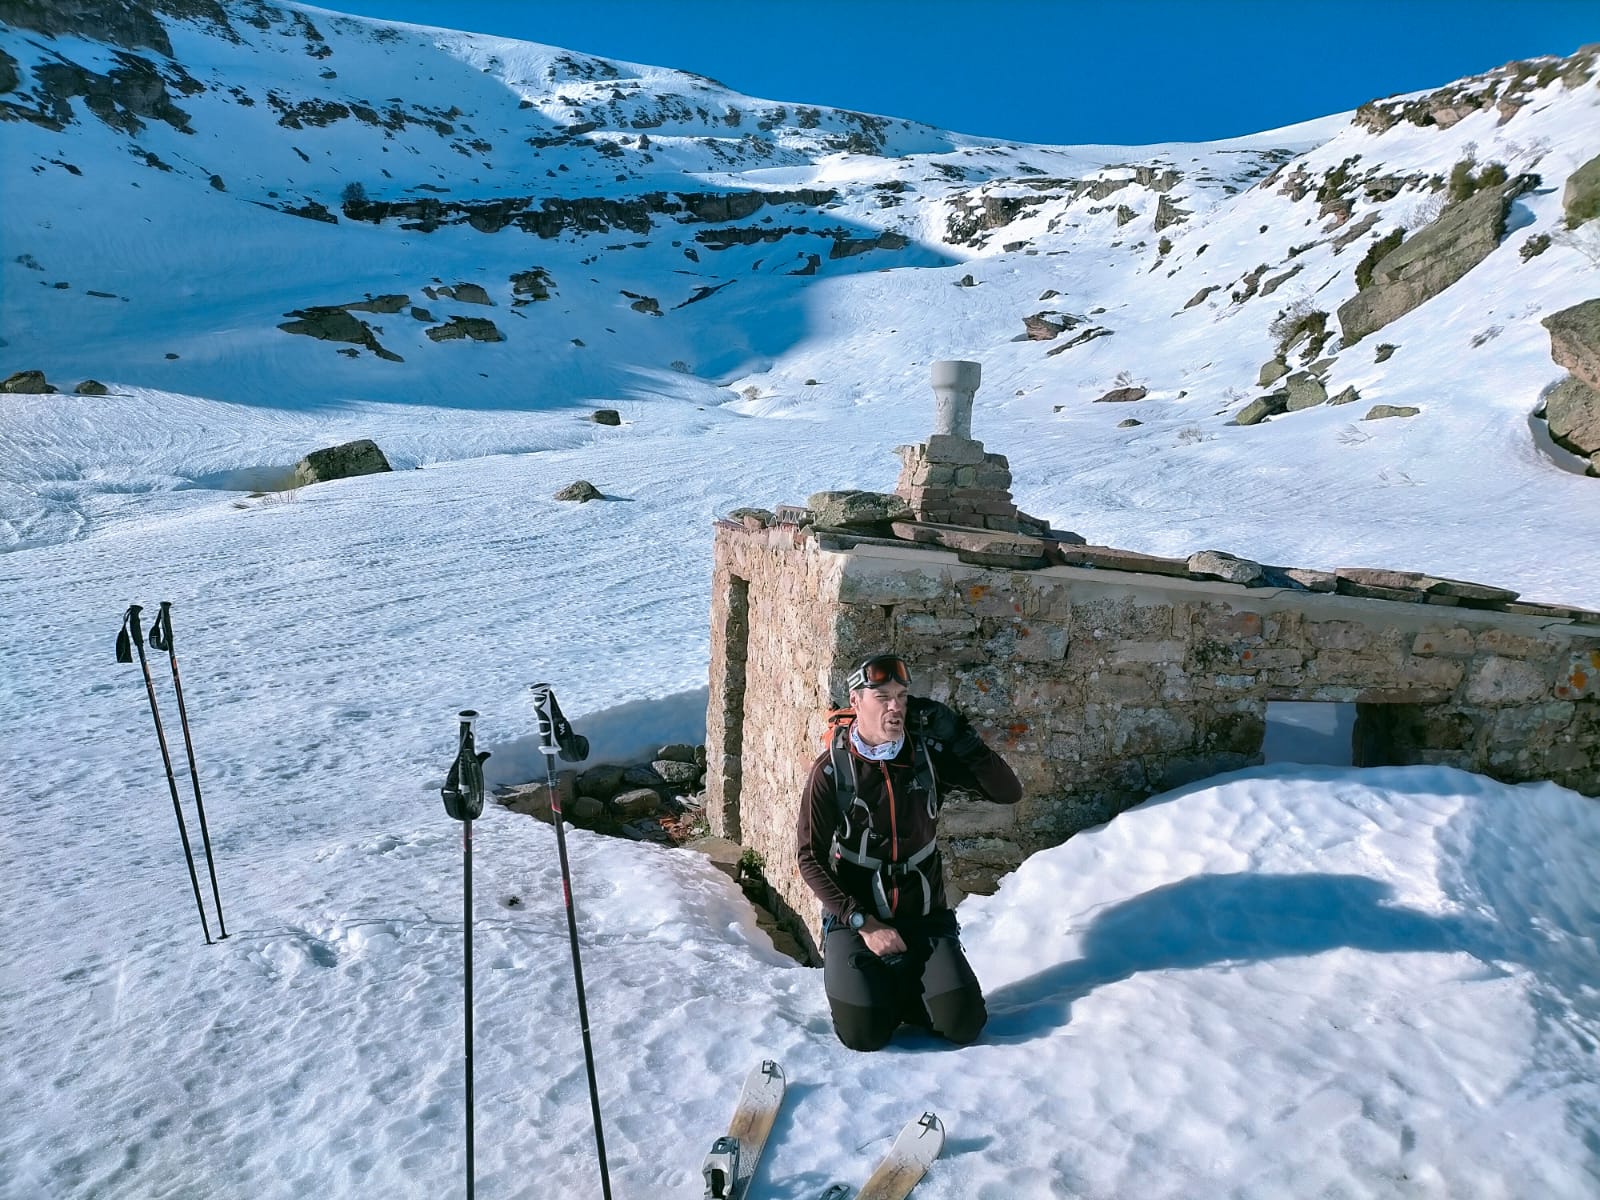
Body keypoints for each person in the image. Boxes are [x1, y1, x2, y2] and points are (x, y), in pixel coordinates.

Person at [796, 653, 1022, 1051]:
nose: (895, 706)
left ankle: (908, 988)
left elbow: (1007, 792)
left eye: (901, 695)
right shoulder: (832, 771)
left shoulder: (926, 756)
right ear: (856, 700)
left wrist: (962, 738)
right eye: (881, 696)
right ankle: (883, 989)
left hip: (923, 917)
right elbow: (809, 858)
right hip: (857, 920)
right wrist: (862, 922)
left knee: (964, 1023)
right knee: (864, 1034)